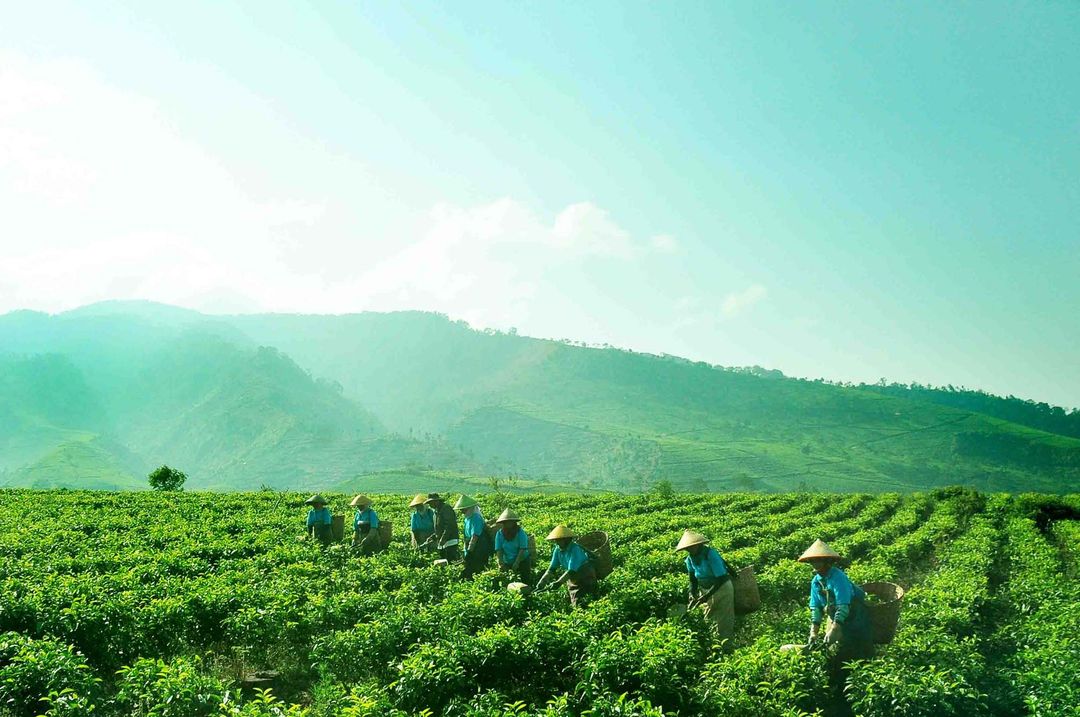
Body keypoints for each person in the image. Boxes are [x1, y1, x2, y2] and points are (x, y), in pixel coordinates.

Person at [798, 539, 874, 665]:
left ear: (827, 560)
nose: (815, 564)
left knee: (859, 651)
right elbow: (816, 608)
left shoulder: (838, 577)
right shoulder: (816, 582)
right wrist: (813, 632)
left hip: (855, 618)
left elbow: (843, 605)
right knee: (839, 654)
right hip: (837, 618)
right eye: (812, 561)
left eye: (818, 560)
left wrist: (835, 628)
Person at [675, 529, 735, 642]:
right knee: (709, 618)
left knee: (723, 620)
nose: (689, 550)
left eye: (691, 547)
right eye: (687, 548)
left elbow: (721, 578)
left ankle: (726, 647)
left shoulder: (711, 554)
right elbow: (692, 580)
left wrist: (707, 596)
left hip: (722, 589)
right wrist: (692, 593)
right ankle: (714, 644)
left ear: (698, 545)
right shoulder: (690, 559)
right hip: (706, 590)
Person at [535, 525, 597, 607]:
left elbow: (571, 570)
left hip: (585, 576)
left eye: (559, 540)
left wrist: (558, 583)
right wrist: (542, 582)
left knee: (587, 600)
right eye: (556, 540)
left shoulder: (575, 549)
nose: (557, 542)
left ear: (566, 539)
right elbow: (552, 569)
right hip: (573, 578)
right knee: (575, 600)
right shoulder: (558, 549)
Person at [455, 495, 492, 579]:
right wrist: (466, 550)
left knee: (477, 569)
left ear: (469, 508)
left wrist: (470, 551)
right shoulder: (467, 518)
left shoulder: (476, 518)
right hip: (471, 546)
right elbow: (466, 536)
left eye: (463, 509)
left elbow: (475, 536)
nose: (462, 511)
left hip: (479, 547)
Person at [494, 508, 532, 583]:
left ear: (514, 522)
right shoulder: (500, 534)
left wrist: (517, 562)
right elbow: (499, 549)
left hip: (522, 560)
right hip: (507, 561)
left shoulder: (520, 533)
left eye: (510, 522)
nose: (508, 524)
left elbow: (522, 549)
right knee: (507, 581)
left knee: (525, 580)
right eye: (506, 522)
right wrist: (501, 563)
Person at [421, 493, 460, 561]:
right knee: (444, 562)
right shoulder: (437, 511)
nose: (430, 505)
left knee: (450, 562)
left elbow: (449, 525)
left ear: (436, 501)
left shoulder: (446, 508)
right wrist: (432, 537)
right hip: (443, 542)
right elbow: (439, 529)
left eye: (431, 503)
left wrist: (443, 538)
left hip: (450, 541)